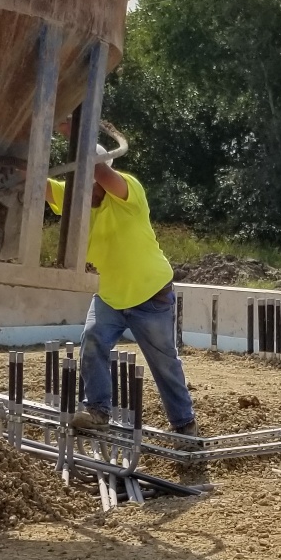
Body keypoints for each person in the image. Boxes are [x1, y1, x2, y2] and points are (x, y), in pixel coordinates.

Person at [46, 148, 196, 436]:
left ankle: (184, 424)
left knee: (164, 363)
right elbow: (37, 182)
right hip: (110, 296)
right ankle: (98, 410)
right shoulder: (76, 199)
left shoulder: (128, 192)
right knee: (92, 340)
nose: (84, 191)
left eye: (89, 181)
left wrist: (72, 128)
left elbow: (101, 171)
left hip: (150, 294)